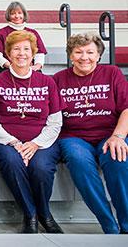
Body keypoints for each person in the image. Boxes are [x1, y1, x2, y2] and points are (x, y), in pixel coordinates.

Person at [0, 30, 65, 234]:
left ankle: (44, 213)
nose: (21, 53)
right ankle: (30, 214)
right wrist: (14, 143)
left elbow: (55, 122)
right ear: (8, 54)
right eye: (16, 49)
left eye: (26, 49)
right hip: (5, 140)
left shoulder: (47, 82)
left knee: (41, 168)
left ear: (33, 53)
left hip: (41, 141)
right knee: (13, 162)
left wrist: (35, 144)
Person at [54, 33, 128, 234]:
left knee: (118, 158)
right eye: (78, 52)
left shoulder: (112, 73)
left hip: (109, 133)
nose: (84, 57)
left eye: (90, 52)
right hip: (73, 136)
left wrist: (118, 136)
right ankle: (108, 224)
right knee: (78, 161)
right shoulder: (59, 79)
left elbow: (127, 109)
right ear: (70, 55)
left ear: (98, 55)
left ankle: (127, 223)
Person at [0, 1, 47, 73]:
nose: (17, 16)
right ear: (8, 15)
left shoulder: (33, 33)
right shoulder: (0, 33)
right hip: (7, 68)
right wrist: (11, 66)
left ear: (24, 15)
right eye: (13, 13)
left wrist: (37, 66)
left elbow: (39, 53)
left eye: (19, 13)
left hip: (29, 68)